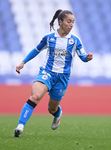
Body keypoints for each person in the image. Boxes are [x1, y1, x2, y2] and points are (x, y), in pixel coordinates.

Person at [14, 9, 93, 137]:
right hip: (47, 72)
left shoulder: (75, 40)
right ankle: (20, 126)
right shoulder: (49, 38)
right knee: (35, 97)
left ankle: (57, 114)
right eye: (69, 21)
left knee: (52, 108)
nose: (71, 25)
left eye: (73, 22)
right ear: (60, 22)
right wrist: (23, 62)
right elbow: (36, 50)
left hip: (62, 78)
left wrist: (87, 58)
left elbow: (82, 56)